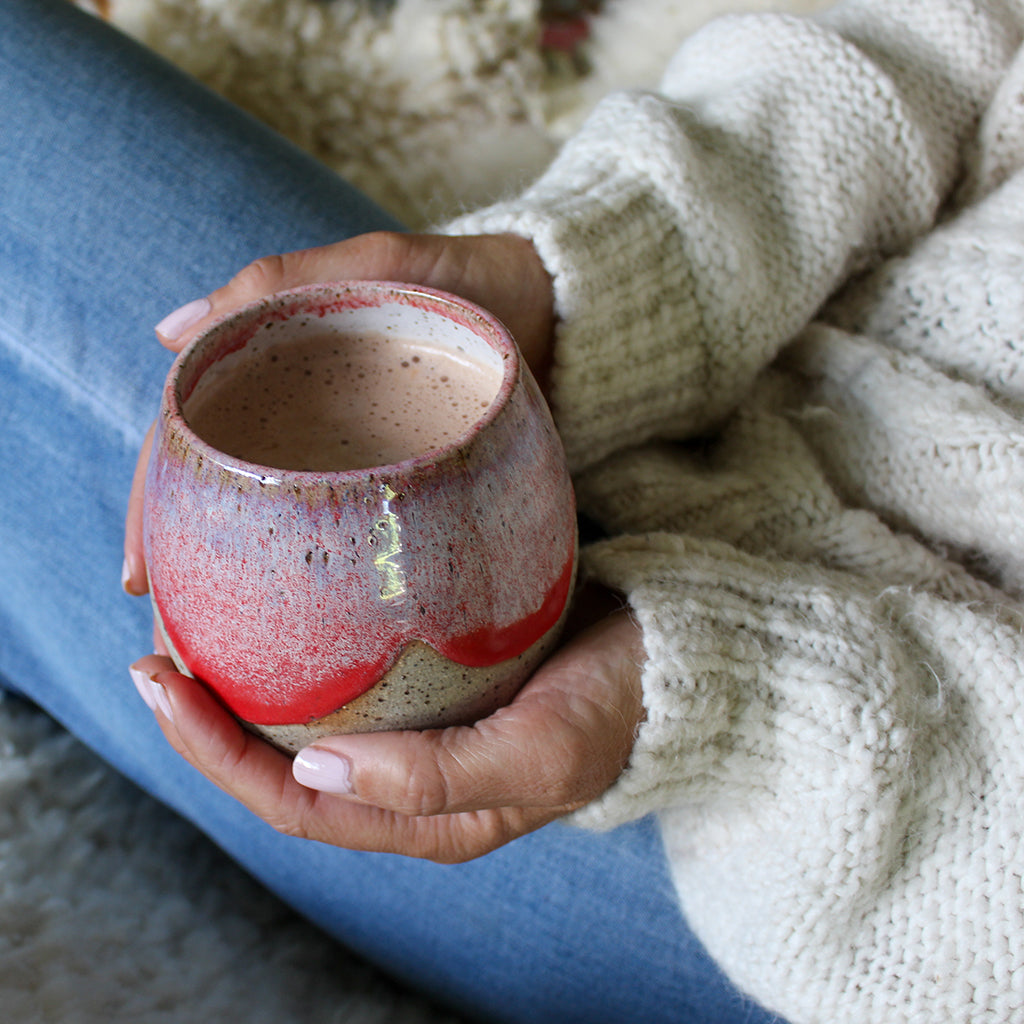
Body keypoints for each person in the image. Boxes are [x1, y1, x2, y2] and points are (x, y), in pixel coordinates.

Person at [3, 0, 1023, 1020]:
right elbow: (944, 38)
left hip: (841, 846)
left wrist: (739, 702)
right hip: (658, 388)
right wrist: (616, 264)